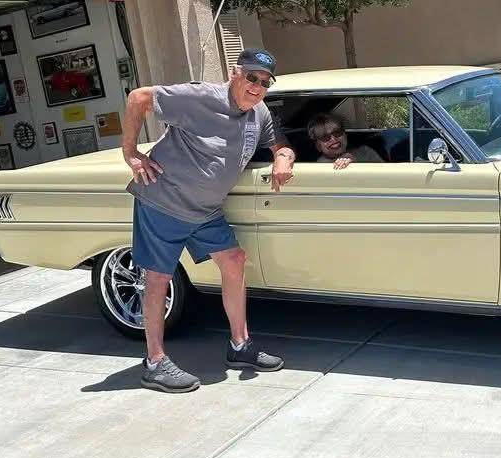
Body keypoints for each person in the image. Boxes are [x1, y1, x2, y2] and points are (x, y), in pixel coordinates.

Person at [121, 48, 295, 394]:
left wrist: (283, 159)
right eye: (251, 77)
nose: (257, 86)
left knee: (234, 260)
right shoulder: (200, 97)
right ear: (235, 72)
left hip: (206, 211)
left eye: (264, 82)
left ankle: (239, 346)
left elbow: (279, 144)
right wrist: (131, 152)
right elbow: (138, 97)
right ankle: (154, 363)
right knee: (157, 279)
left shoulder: (258, 113)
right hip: (164, 203)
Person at [308, 112, 384, 168]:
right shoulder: (319, 166)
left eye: (337, 132)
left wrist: (355, 162)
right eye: (325, 137)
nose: (333, 139)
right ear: (318, 146)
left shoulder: (366, 151)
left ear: (345, 135)